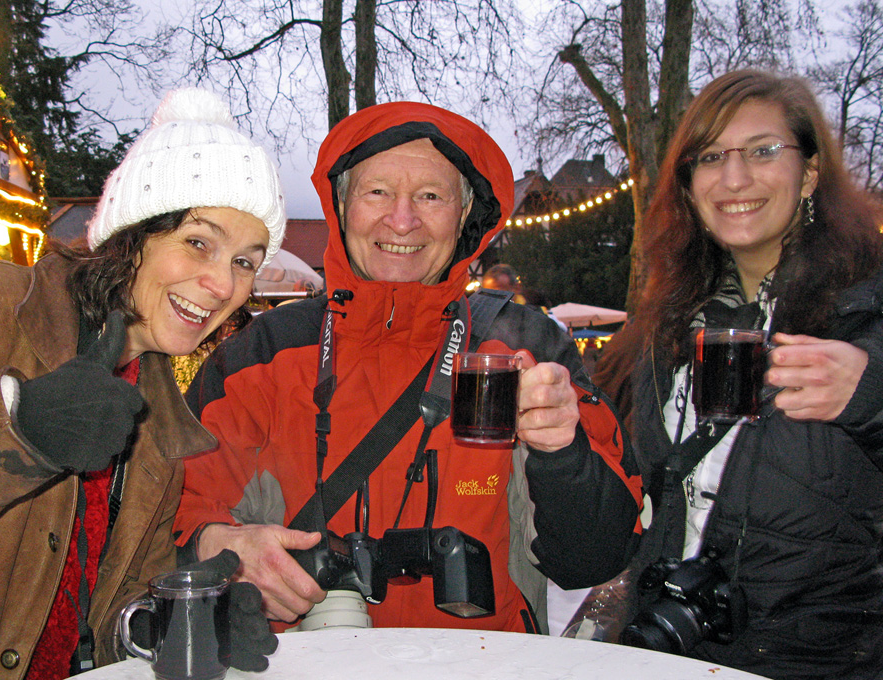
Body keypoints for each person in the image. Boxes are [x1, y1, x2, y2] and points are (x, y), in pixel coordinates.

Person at [175, 101, 642, 635]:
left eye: (430, 196)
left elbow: (596, 559)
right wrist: (218, 545)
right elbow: (169, 509)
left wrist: (562, 453)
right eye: (377, 192)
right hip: (297, 668)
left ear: (466, 217)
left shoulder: (525, 348)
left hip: (481, 670)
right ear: (342, 205)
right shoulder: (264, 352)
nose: (402, 219)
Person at [0, 87, 283, 679]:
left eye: (245, 262)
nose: (223, 285)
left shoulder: (158, 422)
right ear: (131, 235)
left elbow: (98, 618)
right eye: (198, 242)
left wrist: (179, 619)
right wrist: (15, 429)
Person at [622, 69, 883, 678]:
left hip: (822, 661)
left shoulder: (866, 304)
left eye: (763, 151)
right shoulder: (670, 320)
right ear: (688, 184)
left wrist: (871, 393)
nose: (734, 178)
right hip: (677, 649)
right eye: (711, 157)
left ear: (810, 172)